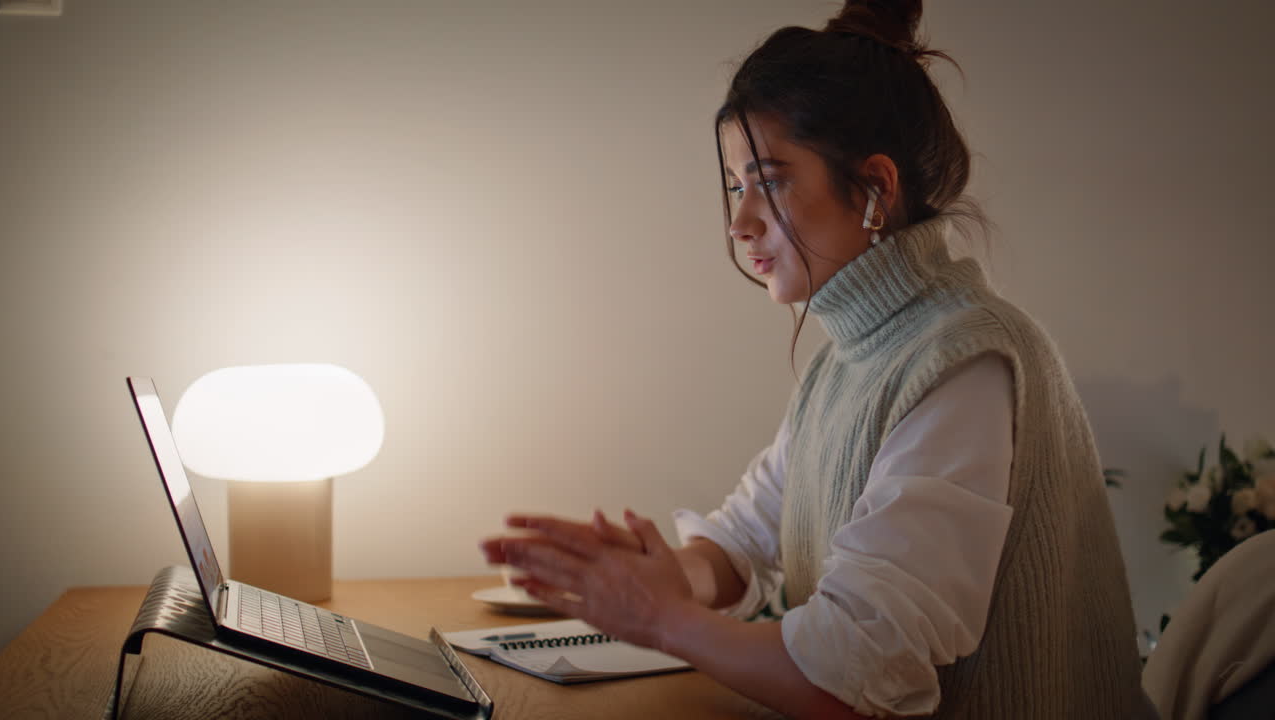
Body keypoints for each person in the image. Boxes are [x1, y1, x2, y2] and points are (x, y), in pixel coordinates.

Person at [481, 1, 1155, 717]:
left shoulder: (964, 362)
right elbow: (746, 537)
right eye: (736, 186)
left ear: (875, 189)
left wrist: (664, 620)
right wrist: (668, 576)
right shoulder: (849, 362)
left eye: (769, 181)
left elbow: (850, 679)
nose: (740, 223)